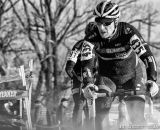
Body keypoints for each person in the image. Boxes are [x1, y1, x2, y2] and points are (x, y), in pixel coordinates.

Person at [80, 0, 159, 130]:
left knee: (137, 116)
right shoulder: (91, 37)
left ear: (116, 21)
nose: (101, 27)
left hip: (132, 76)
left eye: (107, 23)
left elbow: (147, 57)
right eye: (98, 22)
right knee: (101, 119)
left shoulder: (127, 32)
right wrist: (88, 83)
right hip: (107, 78)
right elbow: (87, 64)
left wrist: (152, 79)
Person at [65, 38, 97, 129]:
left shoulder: (98, 44)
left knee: (89, 106)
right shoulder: (79, 45)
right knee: (80, 104)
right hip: (79, 81)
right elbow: (68, 69)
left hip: (91, 80)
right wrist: (77, 78)